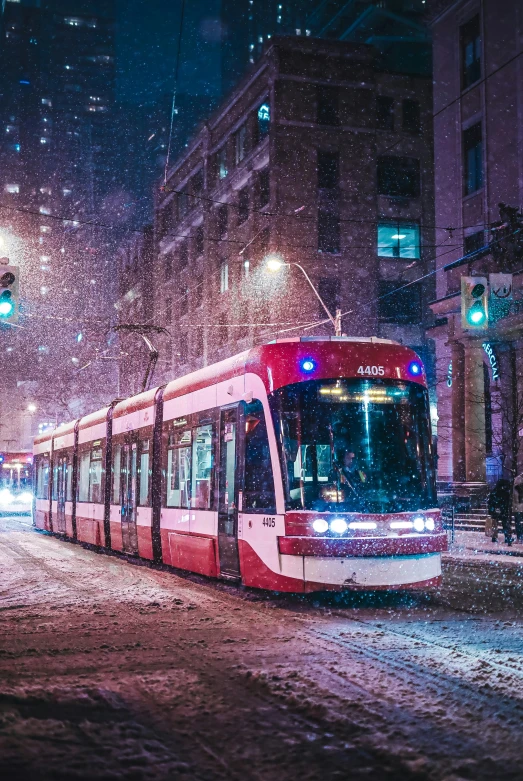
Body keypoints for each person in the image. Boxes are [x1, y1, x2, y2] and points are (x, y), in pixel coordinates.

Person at [487, 478, 513, 545]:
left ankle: (494, 537)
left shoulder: (494, 491)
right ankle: (507, 538)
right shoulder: (505, 492)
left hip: (496, 510)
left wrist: (492, 510)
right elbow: (507, 503)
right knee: (505, 525)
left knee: (495, 524)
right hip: (503, 510)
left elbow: (490, 502)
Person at [512, 473, 523, 543]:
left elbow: (516, 498)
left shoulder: (518, 484)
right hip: (518, 507)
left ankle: (520, 538)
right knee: (519, 523)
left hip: (518, 507)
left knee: (518, 523)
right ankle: (520, 538)